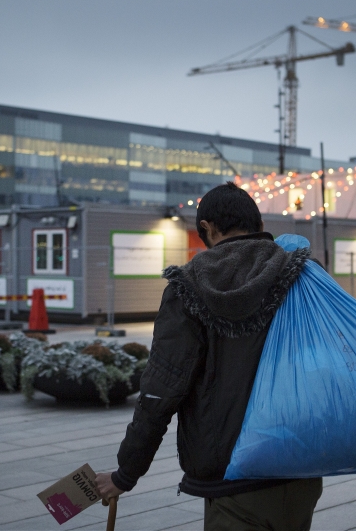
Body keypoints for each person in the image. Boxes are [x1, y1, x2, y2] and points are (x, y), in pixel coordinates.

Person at [95, 182, 323, 530]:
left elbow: (161, 390)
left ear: (207, 228)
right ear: (259, 224)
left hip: (233, 480)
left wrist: (126, 472)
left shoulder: (189, 287)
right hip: (300, 468)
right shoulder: (301, 274)